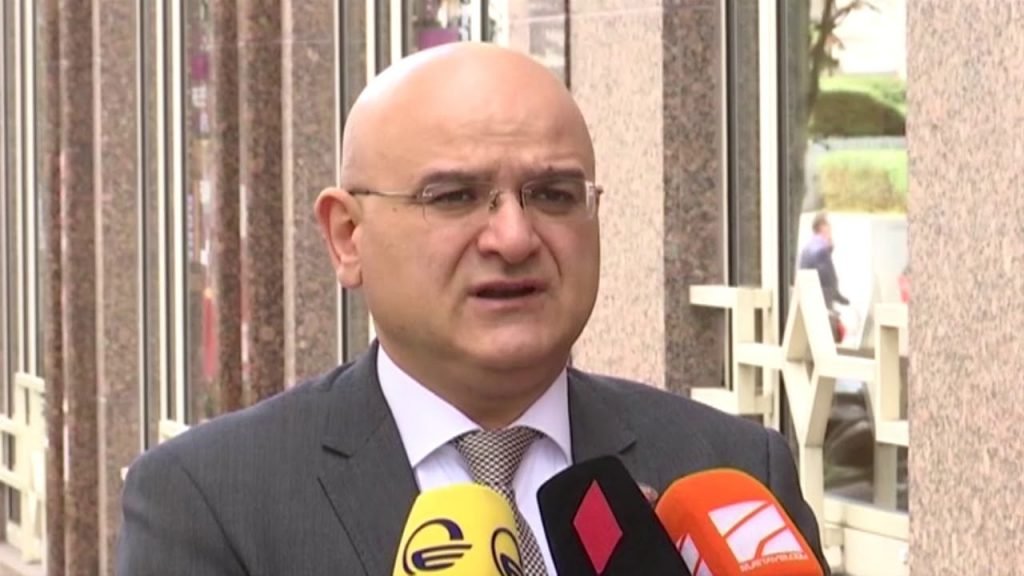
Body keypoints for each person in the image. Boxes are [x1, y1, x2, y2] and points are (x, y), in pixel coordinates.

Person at [117, 43, 829, 575]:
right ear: (347, 237)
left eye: (553, 195)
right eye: (454, 196)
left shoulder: (733, 473)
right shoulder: (209, 499)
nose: (514, 238)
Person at [799, 212, 849, 342]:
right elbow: (828, 281)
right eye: (828, 225)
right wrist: (840, 297)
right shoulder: (820, 250)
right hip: (821, 305)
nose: (831, 229)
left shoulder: (808, 248)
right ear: (822, 227)